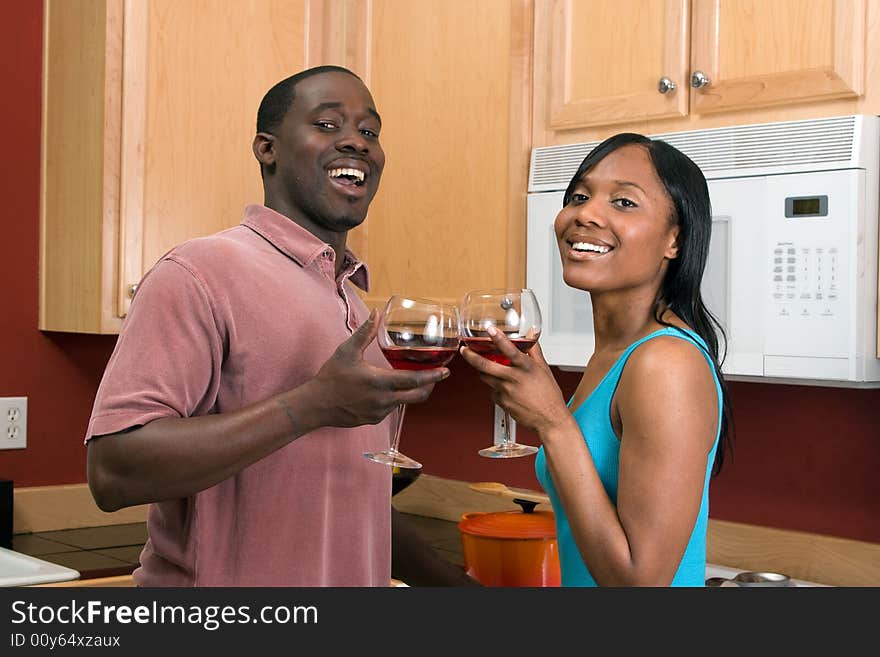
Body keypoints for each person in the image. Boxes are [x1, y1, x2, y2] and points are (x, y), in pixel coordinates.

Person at [85, 65, 477, 587]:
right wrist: (308, 405)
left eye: (369, 132)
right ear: (267, 148)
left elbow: (351, 501)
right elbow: (113, 473)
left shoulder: (355, 307)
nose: (356, 144)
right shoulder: (198, 274)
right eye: (327, 124)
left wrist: (457, 587)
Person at [459, 133, 732, 586]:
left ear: (674, 241)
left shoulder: (666, 364)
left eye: (624, 202)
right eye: (580, 196)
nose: (584, 213)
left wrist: (551, 421)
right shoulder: (616, 356)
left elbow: (640, 583)